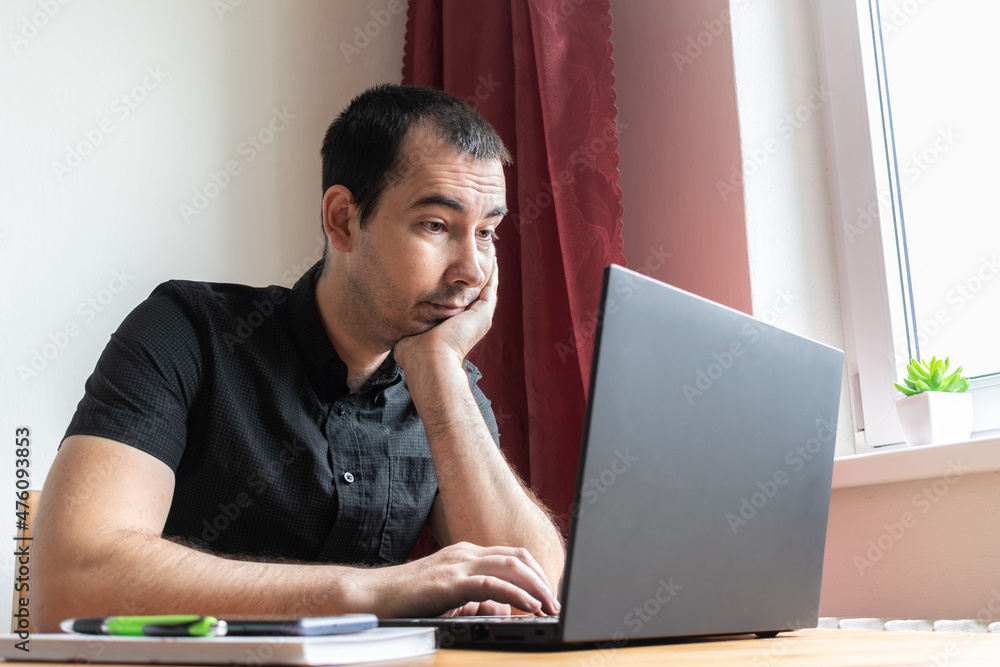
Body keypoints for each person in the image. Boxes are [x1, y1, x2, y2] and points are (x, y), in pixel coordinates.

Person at [33, 84, 565, 632]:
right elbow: (68, 586)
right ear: (342, 220)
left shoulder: (445, 384)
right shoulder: (186, 332)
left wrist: (441, 375)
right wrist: (375, 591)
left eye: (486, 233)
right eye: (436, 225)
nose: (472, 271)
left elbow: (540, 594)